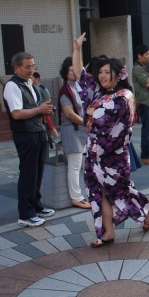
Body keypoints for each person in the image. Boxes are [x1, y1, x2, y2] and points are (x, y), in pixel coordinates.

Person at [72, 33, 149, 248]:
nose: (102, 76)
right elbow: (79, 75)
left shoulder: (123, 96)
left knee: (120, 190)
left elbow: (120, 129)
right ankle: (107, 232)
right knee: (97, 192)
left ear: (118, 75)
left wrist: (102, 146)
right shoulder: (97, 93)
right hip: (94, 152)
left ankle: (148, 211)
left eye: (107, 72)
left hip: (114, 153)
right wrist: (77, 50)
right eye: (100, 72)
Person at [3, 52, 56, 227]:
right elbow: (17, 114)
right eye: (28, 66)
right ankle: (25, 213)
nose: (31, 69)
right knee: (28, 173)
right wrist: (40, 110)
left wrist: (45, 110)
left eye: (33, 66)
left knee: (38, 171)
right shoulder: (12, 86)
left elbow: (35, 107)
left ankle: (36, 204)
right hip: (25, 134)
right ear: (16, 68)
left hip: (38, 131)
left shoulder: (29, 83)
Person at [57, 57, 89, 209]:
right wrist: (87, 123)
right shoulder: (65, 89)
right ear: (65, 72)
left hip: (81, 130)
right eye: (71, 70)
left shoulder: (79, 86)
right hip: (72, 130)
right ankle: (76, 197)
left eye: (75, 70)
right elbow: (69, 113)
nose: (74, 73)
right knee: (75, 166)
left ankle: (82, 193)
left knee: (83, 165)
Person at [31, 72, 59, 140]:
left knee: (50, 125)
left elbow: (48, 99)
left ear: (36, 78)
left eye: (32, 77)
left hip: (42, 110)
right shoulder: (30, 88)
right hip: (34, 110)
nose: (30, 79)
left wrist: (42, 105)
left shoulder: (41, 88)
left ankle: (57, 140)